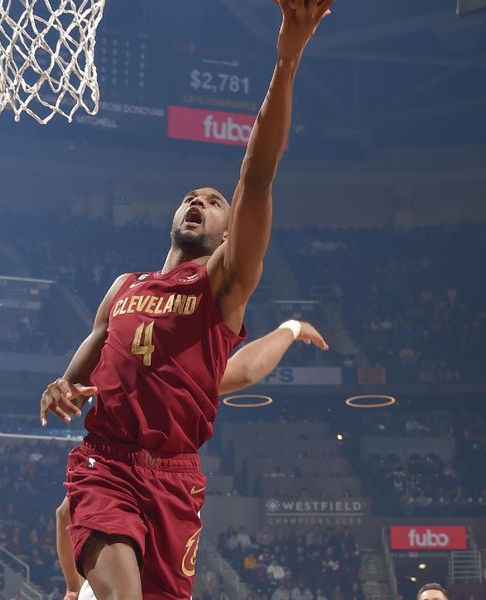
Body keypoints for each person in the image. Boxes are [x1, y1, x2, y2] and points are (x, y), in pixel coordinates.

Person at [39, 1, 333, 598]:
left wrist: (287, 57)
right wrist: (60, 384)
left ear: (230, 231)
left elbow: (258, 175)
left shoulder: (221, 285)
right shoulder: (124, 287)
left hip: (175, 478)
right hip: (108, 462)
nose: (199, 201)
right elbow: (87, 361)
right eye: (189, 197)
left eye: (213, 201)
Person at [55, 319, 329, 600]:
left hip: (152, 475)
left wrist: (72, 587)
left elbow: (65, 513)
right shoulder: (176, 384)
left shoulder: (143, 391)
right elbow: (246, 370)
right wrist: (291, 329)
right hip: (165, 480)